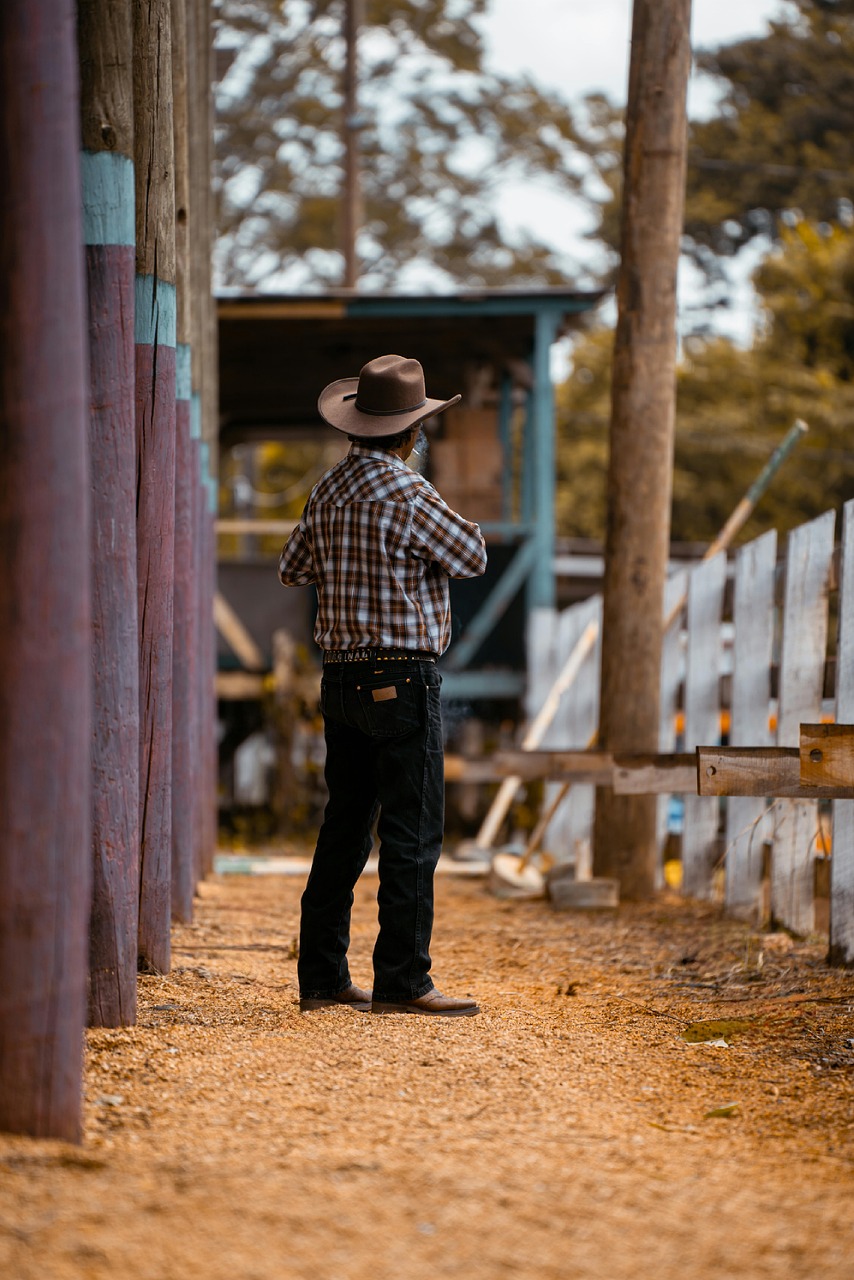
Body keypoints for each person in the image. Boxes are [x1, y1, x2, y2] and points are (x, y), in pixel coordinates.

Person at [279, 353, 487, 1017]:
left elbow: (292, 569)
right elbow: (472, 556)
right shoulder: (409, 491)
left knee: (344, 826)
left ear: (356, 428)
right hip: (402, 675)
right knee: (412, 828)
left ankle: (322, 978)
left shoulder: (329, 490)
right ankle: (401, 980)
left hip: (340, 677)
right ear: (409, 435)